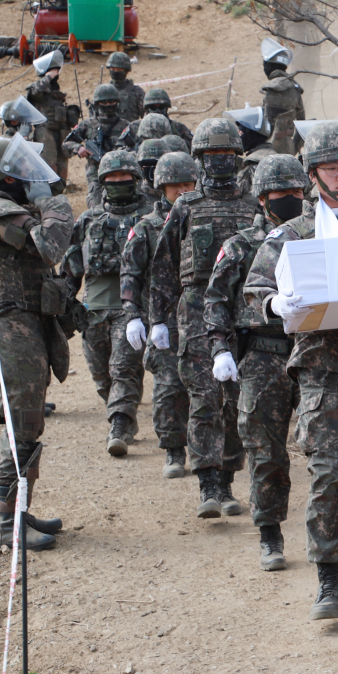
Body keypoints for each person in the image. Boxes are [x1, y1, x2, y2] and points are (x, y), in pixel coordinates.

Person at [242, 121, 338, 621]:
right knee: (332, 473)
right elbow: (255, 290)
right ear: (313, 174)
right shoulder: (293, 234)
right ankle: (328, 582)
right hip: (321, 370)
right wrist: (276, 306)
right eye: (332, 167)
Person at [0, 136, 74, 550]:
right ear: (3, 176)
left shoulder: (7, 209)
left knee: (28, 422)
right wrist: (52, 203)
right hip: (11, 326)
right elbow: (50, 246)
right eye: (20, 169)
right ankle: (6, 523)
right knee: (20, 423)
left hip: (25, 323)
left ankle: (20, 512)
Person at [204, 155, 310, 571]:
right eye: (284, 195)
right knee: (266, 452)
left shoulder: (316, 237)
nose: (293, 200)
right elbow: (216, 299)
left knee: (327, 447)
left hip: (313, 350)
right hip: (263, 355)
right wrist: (220, 349)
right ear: (263, 198)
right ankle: (270, 533)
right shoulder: (242, 245)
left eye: (299, 193)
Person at [148, 118, 257, 518]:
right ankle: (208, 481)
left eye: (228, 154)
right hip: (195, 310)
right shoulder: (185, 207)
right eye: (213, 155)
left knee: (236, 400)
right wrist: (158, 318)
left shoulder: (252, 206)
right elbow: (164, 265)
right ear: (200, 160)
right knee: (204, 397)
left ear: (238, 157)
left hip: (243, 310)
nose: (221, 162)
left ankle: (228, 478)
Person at [62, 149, 151, 456]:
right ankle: (119, 411)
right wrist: (65, 301)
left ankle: (120, 424)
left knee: (124, 366)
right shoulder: (88, 220)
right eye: (110, 178)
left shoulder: (151, 217)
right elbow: (72, 265)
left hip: (134, 307)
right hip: (94, 308)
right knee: (101, 373)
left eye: (123, 177)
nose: (117, 182)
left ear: (135, 179)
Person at [121, 151, 198, 480]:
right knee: (169, 388)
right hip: (163, 318)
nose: (181, 191)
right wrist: (133, 316)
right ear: (160, 188)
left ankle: (209, 450)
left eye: (187, 184)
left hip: (202, 317)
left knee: (207, 389)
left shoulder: (205, 216)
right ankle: (173, 449)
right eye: (174, 186)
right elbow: (130, 274)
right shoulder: (148, 227)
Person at [62, 83, 130, 212]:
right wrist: (78, 148)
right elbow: (66, 144)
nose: (109, 105)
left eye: (112, 101)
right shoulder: (87, 125)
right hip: (96, 173)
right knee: (96, 206)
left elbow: (137, 146)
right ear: (97, 104)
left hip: (120, 172)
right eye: (104, 102)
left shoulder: (126, 126)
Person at [24, 49, 78, 195]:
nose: (57, 74)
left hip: (61, 134)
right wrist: (48, 76)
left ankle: (57, 198)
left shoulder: (57, 93)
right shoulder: (38, 90)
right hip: (45, 133)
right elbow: (35, 91)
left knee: (61, 171)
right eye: (54, 71)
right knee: (47, 169)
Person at [260, 38, 307, 155]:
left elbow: (265, 124)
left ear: (268, 66)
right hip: (288, 148)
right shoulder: (295, 89)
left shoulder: (270, 88)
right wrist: (294, 148)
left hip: (268, 149)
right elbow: (302, 124)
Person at [226, 106, 274, 196]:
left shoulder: (252, 165)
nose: (238, 137)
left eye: (240, 132)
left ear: (250, 135)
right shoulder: (273, 155)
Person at [106, 51, 145, 123]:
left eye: (119, 69)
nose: (115, 71)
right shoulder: (104, 91)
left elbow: (146, 118)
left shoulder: (137, 93)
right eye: (113, 69)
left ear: (127, 71)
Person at [135, 137, 166, 205]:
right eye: (147, 164)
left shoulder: (177, 191)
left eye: (158, 164)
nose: (153, 168)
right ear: (140, 167)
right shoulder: (136, 197)